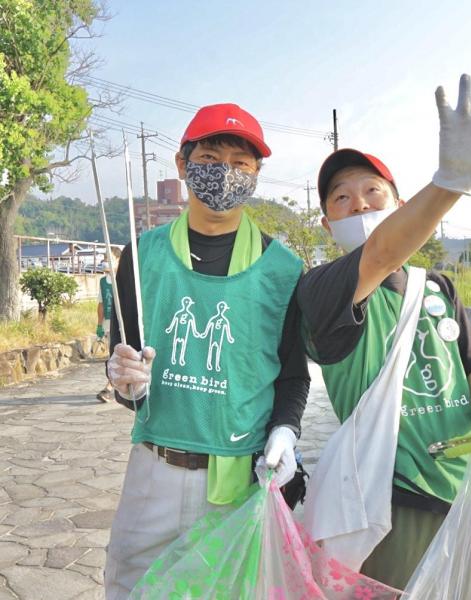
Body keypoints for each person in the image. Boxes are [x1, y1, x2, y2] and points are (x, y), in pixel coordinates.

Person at [299, 71, 471, 589]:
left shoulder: (438, 287)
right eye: (341, 198)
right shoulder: (320, 292)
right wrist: (451, 183)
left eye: (373, 192)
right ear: (326, 223)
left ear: (400, 207)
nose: (359, 204)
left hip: (468, 490)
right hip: (391, 504)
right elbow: (380, 252)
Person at [102, 103, 310, 598]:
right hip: (155, 466)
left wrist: (285, 429)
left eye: (241, 163)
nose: (225, 173)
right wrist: (122, 380)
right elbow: (124, 364)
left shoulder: (281, 267)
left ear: (257, 174)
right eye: (211, 157)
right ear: (182, 164)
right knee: (129, 587)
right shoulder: (141, 253)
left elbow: (293, 374)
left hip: (235, 480)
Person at [95, 246, 121, 401]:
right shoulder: (103, 282)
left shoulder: (125, 278)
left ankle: (112, 387)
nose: (106, 262)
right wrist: (99, 324)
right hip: (110, 323)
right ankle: (109, 387)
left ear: (118, 260)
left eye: (109, 258)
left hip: (125, 322)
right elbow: (101, 304)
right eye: (105, 258)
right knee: (113, 355)